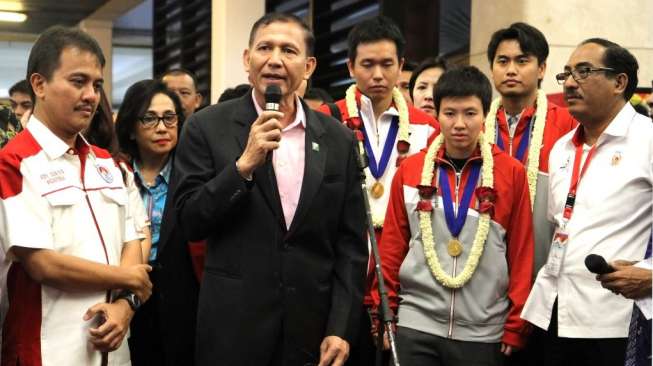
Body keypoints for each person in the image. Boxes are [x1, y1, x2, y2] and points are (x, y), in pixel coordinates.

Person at [172, 13, 367, 365]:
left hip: (311, 331)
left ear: (308, 66)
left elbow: (350, 245)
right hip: (233, 331)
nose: (275, 59)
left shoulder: (337, 138)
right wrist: (243, 166)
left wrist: (341, 326)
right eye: (265, 47)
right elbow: (189, 221)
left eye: (288, 50)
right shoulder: (206, 127)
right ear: (248, 60)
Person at [0, 26, 152, 366]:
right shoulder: (14, 161)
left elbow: (132, 239)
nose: (91, 95)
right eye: (78, 81)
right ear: (39, 85)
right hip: (46, 352)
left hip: (113, 349)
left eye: (96, 84)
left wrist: (125, 305)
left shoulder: (107, 163)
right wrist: (131, 279)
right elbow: (42, 263)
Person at [376, 66, 533, 365]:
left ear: (486, 114)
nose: (459, 124)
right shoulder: (411, 170)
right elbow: (392, 247)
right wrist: (385, 314)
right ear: (437, 114)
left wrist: (516, 324)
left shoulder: (510, 173)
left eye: (470, 113)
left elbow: (521, 251)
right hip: (415, 323)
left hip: (482, 331)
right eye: (450, 113)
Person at [521, 38, 653, 366]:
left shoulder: (647, 139)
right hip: (553, 312)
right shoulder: (562, 148)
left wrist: (651, 274)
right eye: (565, 74)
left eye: (583, 72)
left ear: (619, 82)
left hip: (617, 319)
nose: (569, 83)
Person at [316, 16, 438, 365]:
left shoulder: (426, 128)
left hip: (403, 266)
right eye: (367, 64)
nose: (378, 75)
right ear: (351, 66)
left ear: (401, 66)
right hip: (341, 264)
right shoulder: (328, 120)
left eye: (387, 64)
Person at [115, 79, 200, 365]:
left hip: (183, 299)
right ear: (130, 126)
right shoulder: (113, 174)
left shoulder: (194, 174)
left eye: (169, 117)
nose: (162, 128)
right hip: (124, 292)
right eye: (149, 118)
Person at [486, 23, 577, 282]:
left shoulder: (569, 125)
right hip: (486, 273)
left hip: (548, 270)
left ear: (542, 69)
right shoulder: (477, 127)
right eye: (502, 61)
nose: (511, 69)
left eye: (522, 61)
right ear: (492, 69)